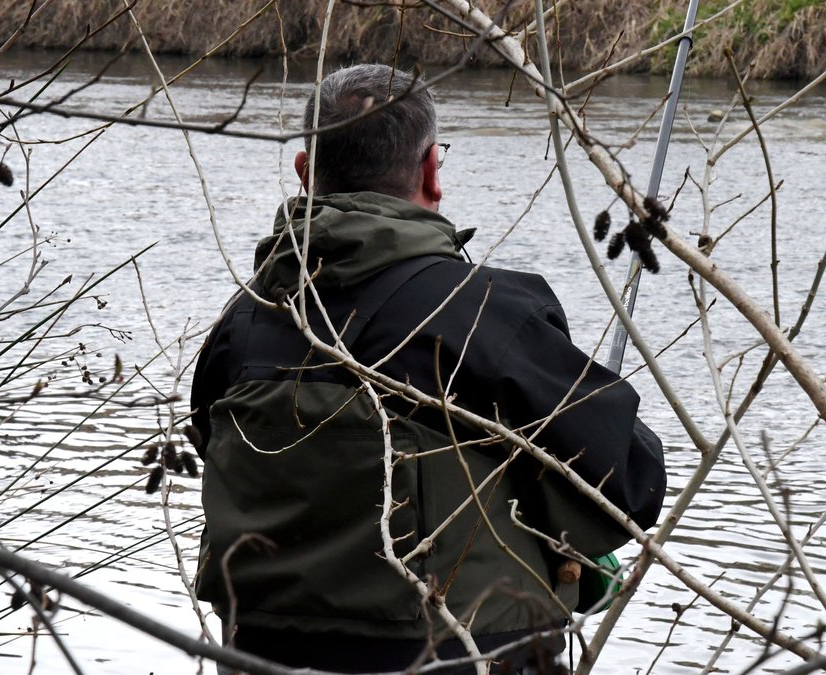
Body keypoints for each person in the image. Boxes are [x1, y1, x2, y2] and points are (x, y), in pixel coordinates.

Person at [190, 63, 666, 674]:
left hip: (258, 656)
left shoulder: (245, 322)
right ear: (430, 172)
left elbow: (210, 445)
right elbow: (631, 482)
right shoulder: (484, 312)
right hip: (464, 657)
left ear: (306, 173)